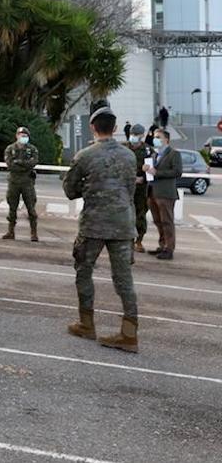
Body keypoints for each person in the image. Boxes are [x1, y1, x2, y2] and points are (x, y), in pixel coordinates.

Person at [64, 105, 140, 352]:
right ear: (116, 129)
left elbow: (70, 190)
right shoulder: (129, 156)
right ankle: (129, 335)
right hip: (123, 224)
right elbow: (131, 189)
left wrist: (89, 188)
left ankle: (87, 324)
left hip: (93, 225)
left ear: (93, 127)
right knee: (124, 280)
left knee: (84, 272)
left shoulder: (85, 155)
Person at [146, 128, 182, 260]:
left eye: (158, 137)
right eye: (155, 137)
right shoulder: (155, 154)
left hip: (165, 193)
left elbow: (177, 172)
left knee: (167, 222)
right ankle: (162, 245)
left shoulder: (174, 154)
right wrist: (147, 170)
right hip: (153, 192)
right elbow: (152, 172)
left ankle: (169, 248)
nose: (155, 139)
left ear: (166, 139)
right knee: (158, 221)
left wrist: (157, 173)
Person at [3, 126, 40, 241]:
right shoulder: (10, 149)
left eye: (25, 136)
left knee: (31, 208)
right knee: (12, 208)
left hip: (27, 183)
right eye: (21, 135)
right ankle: (11, 231)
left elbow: (33, 162)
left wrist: (20, 163)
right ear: (17, 136)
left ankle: (34, 233)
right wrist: (24, 165)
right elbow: (10, 164)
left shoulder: (32, 149)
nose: (23, 137)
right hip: (14, 182)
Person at [125, 124, 153, 255]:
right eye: (132, 134)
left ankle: (139, 240)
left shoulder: (148, 151)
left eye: (136, 135)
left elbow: (151, 171)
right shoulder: (123, 148)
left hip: (141, 189)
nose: (134, 137)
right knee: (125, 214)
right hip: (125, 188)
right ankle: (126, 240)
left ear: (142, 136)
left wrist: (143, 179)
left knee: (140, 215)